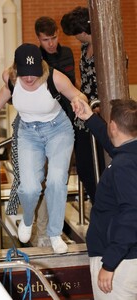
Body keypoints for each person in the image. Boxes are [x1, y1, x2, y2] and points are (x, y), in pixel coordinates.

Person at [0, 43, 87, 254]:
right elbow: (6, 92)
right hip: (28, 133)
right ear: (17, 69)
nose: (29, 79)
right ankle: (28, 220)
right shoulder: (9, 77)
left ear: (41, 67)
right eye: (25, 74)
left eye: (34, 74)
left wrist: (80, 101)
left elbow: (77, 94)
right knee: (29, 187)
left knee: (56, 180)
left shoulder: (55, 78)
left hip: (59, 131)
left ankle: (54, 234)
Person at [76, 98, 137, 299]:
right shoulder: (129, 156)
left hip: (120, 265)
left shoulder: (123, 166)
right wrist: (90, 118)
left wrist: (109, 263)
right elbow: (118, 149)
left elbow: (132, 214)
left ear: (113, 126)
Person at [33, 16, 76, 247]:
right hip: (41, 127)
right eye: (45, 39)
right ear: (38, 38)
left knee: (58, 181)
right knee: (41, 182)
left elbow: (71, 88)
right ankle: (42, 233)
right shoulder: (34, 58)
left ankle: (51, 231)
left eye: (54, 38)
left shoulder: (67, 53)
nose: (51, 43)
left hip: (64, 126)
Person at [61, 6, 105, 204]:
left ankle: (103, 202)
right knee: (84, 165)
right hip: (84, 110)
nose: (76, 38)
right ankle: (96, 200)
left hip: (99, 111)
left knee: (101, 162)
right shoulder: (83, 48)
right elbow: (84, 79)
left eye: (76, 34)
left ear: (83, 30)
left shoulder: (105, 46)